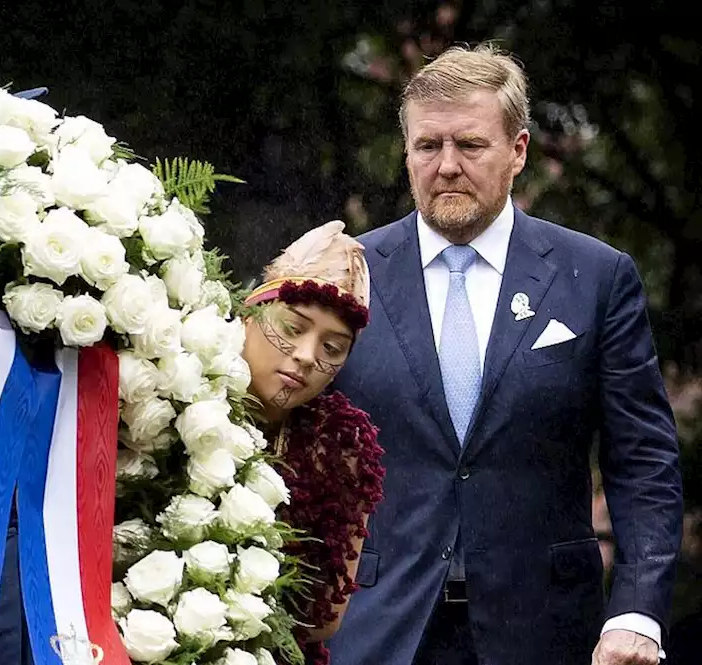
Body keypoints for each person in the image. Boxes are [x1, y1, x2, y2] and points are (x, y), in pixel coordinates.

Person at [325, 44, 683, 665]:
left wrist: (636, 610)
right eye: (428, 146)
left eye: (470, 145)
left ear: (518, 151)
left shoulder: (595, 277)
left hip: (549, 632)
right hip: (379, 631)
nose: (447, 166)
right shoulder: (345, 274)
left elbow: (643, 460)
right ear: (406, 152)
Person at [239, 220, 386, 664]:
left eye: (332, 348)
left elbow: (324, 617)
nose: (306, 356)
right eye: (293, 326)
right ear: (249, 313)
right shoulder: (171, 387)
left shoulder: (340, 447)